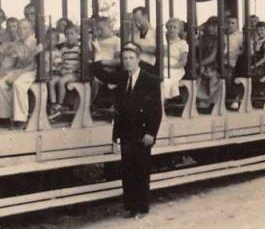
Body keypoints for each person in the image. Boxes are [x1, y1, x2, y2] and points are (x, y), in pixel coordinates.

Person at [91, 43, 163, 218]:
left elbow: (156, 110)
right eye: (124, 59)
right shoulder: (122, 78)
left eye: (131, 58)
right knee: (128, 170)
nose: (128, 62)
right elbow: (118, 109)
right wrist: (97, 55)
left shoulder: (150, 80)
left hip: (143, 132)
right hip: (126, 132)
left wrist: (151, 133)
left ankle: (142, 208)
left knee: (141, 170)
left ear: (138, 60)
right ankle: (131, 208)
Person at [0, 19, 42, 129]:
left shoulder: (35, 43)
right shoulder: (17, 44)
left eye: (24, 28)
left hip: (31, 71)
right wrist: (8, 73)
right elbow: (18, 62)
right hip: (20, 70)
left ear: (30, 30)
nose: (21, 30)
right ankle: (4, 117)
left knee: (18, 84)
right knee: (0, 84)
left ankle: (21, 119)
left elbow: (32, 65)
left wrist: (17, 74)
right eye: (19, 28)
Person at [48, 24, 82, 120]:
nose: (69, 36)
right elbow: (61, 61)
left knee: (61, 81)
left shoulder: (79, 48)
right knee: (51, 81)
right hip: (65, 72)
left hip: (75, 73)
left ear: (77, 34)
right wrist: (60, 69)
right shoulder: (63, 48)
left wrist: (71, 70)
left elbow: (80, 63)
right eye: (67, 34)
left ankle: (60, 104)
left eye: (72, 34)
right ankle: (53, 104)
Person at [161, 18, 188, 99]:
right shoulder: (164, 42)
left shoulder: (182, 43)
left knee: (164, 81)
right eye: (169, 27)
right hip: (162, 67)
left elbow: (183, 61)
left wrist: (169, 67)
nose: (171, 29)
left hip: (175, 68)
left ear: (179, 30)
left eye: (174, 27)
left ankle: (163, 101)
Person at [196, 16, 220, 109]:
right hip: (201, 63)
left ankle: (206, 101)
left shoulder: (218, 40)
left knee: (207, 75)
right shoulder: (203, 38)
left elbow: (212, 57)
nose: (211, 28)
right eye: (210, 25)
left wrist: (199, 64)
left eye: (215, 26)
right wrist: (199, 31)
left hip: (212, 65)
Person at [131, 7, 156, 71]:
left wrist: (140, 48)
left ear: (145, 16)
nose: (136, 22)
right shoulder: (134, 33)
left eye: (138, 19)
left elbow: (160, 50)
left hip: (148, 65)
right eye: (134, 20)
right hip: (133, 62)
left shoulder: (155, 32)